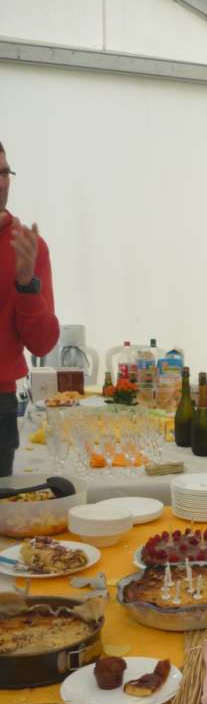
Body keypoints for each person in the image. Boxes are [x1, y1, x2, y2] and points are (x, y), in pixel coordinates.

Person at [0, 140, 59, 477]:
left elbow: (43, 343)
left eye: (4, 173)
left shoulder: (28, 246)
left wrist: (26, 285)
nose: (1, 183)